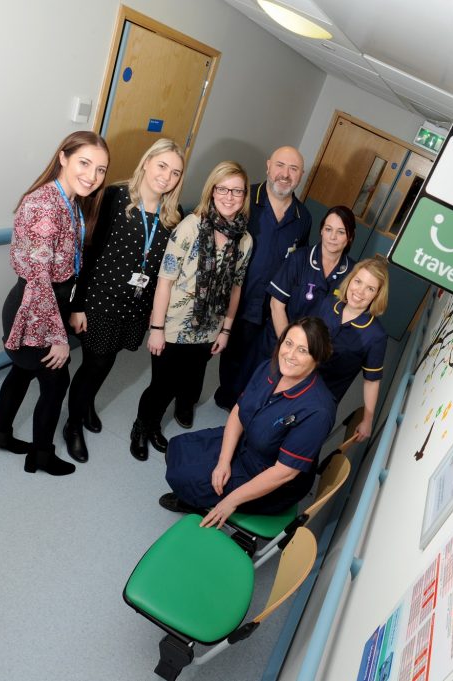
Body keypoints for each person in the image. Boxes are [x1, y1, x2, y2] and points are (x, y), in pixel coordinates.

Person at [0, 131, 109, 476]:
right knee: (56, 383)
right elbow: (39, 280)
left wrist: (73, 307)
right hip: (34, 305)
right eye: (85, 163)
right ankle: (41, 455)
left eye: (100, 169)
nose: (92, 176)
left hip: (48, 302)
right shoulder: (44, 204)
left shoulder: (70, 200)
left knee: (22, 371)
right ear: (63, 157)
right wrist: (58, 338)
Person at [61, 139, 186, 464]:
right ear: (147, 162)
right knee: (95, 362)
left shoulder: (174, 215)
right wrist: (77, 305)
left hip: (136, 305)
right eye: (162, 166)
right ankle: (73, 424)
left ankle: (86, 404)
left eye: (175, 172)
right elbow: (88, 252)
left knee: (110, 358)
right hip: (101, 298)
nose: (166, 176)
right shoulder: (114, 197)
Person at [130, 161, 253, 460]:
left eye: (237, 191)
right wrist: (156, 329)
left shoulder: (245, 240)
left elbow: (236, 288)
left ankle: (155, 425)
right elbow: (165, 281)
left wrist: (225, 330)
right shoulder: (190, 226)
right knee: (161, 384)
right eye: (222, 189)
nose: (229, 197)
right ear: (212, 191)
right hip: (174, 324)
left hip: (209, 327)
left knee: (181, 383)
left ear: (245, 195)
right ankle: (141, 427)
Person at [163, 317, 336, 528]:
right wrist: (223, 461)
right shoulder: (270, 368)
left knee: (186, 477)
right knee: (177, 448)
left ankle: (195, 504)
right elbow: (239, 411)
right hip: (247, 441)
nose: (290, 355)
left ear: (317, 358)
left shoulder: (318, 411)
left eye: (302, 350)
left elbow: (284, 473)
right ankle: (197, 492)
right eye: (288, 343)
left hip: (268, 476)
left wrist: (231, 501)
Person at [214, 145, 311, 410]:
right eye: (280, 165)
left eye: (293, 169)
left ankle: (239, 402)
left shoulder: (303, 218)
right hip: (237, 298)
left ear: (301, 175)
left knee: (257, 359)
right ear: (268, 166)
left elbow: (298, 263)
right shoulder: (244, 199)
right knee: (225, 353)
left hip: (273, 307)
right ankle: (221, 396)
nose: (285, 174)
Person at [262, 204, 356, 359]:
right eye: (328, 229)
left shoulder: (353, 273)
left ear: (350, 236)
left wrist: (312, 356)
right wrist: (288, 349)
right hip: (280, 343)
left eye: (341, 232)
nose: (333, 237)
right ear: (321, 230)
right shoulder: (299, 258)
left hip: (315, 354)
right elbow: (276, 305)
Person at [315, 258, 389, 443]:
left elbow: (372, 381)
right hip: (292, 382)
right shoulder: (328, 304)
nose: (360, 291)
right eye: (358, 281)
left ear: (377, 295)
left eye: (370, 288)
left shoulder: (376, 335)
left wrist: (367, 420)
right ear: (350, 280)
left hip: (319, 403)